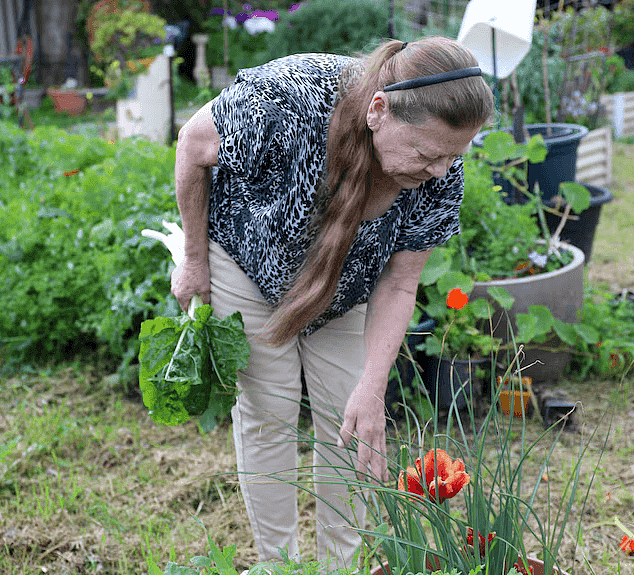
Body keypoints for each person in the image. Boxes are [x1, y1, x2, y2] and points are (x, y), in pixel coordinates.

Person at [170, 36, 494, 570]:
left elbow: (398, 284)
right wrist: (195, 259)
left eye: (451, 157)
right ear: (379, 109)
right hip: (247, 264)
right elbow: (191, 144)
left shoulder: (439, 173)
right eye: (427, 153)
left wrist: (373, 386)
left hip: (345, 290)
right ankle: (278, 564)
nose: (439, 171)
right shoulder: (286, 102)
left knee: (352, 423)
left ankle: (338, 567)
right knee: (268, 414)